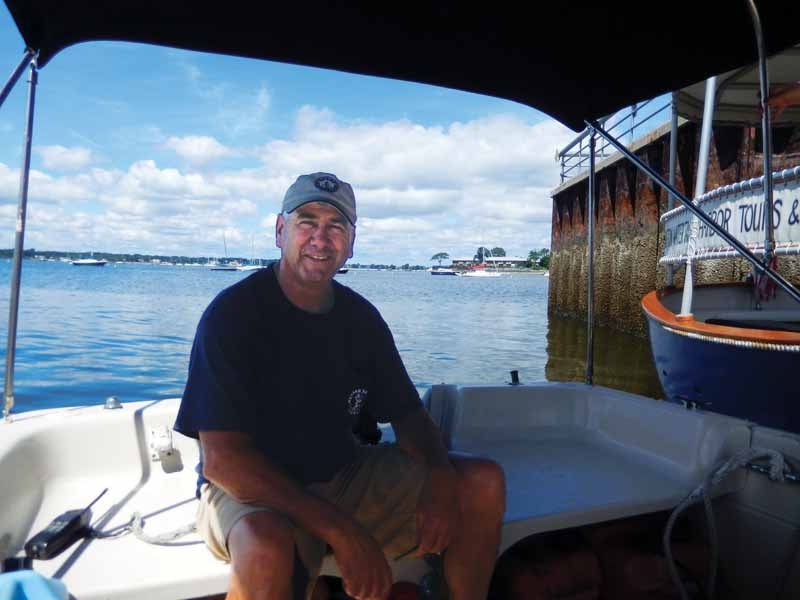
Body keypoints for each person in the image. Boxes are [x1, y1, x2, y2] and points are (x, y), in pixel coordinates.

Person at [174, 172, 506, 600]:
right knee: (264, 548)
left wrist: (441, 477)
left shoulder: (361, 319)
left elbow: (410, 419)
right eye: (306, 222)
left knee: (481, 482)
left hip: (342, 474)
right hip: (256, 490)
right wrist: (341, 531)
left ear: (351, 243)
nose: (320, 238)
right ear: (280, 231)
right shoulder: (232, 315)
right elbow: (224, 463)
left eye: (336, 226)